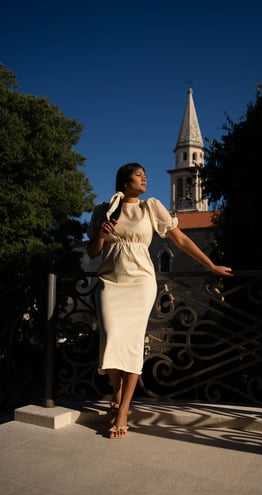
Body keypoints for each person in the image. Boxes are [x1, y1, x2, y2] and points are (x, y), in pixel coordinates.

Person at [87, 162, 233, 439]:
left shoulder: (151, 207)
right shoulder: (103, 210)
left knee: (130, 347)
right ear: (125, 180)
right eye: (138, 175)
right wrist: (102, 234)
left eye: (145, 175)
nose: (144, 178)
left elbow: (181, 241)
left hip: (140, 283)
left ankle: (122, 412)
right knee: (109, 339)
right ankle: (116, 392)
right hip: (110, 281)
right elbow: (94, 252)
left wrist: (211, 266)